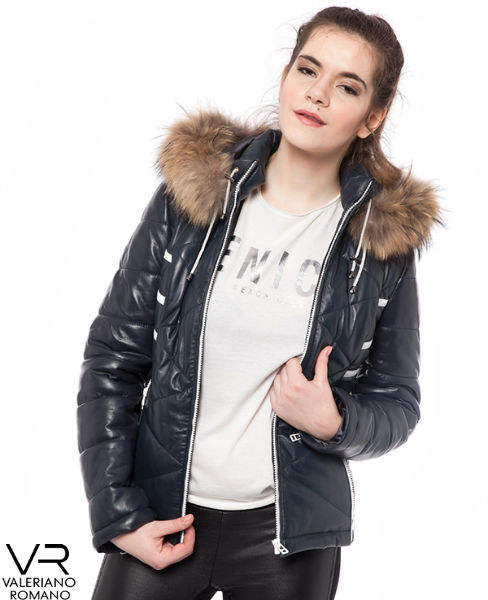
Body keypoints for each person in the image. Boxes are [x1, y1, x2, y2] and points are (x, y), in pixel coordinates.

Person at [77, 6, 444, 600]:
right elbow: (112, 358)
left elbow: (398, 402)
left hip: (289, 538)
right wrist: (119, 513)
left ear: (371, 118)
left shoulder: (380, 242)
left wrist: (335, 421)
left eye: (347, 87)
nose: (318, 94)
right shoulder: (196, 195)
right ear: (286, 75)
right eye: (308, 70)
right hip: (165, 512)